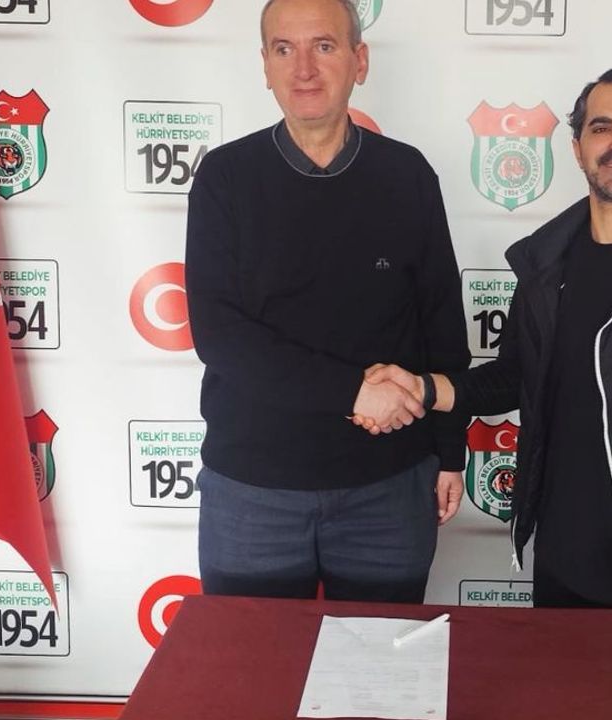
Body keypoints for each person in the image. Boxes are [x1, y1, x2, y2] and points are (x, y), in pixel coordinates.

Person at [359, 66, 612, 608]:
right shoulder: (545, 263)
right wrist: (422, 388)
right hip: (561, 550)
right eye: (601, 128)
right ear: (578, 148)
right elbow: (513, 377)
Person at [184, 0, 469, 604]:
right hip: (252, 491)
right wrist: (353, 393)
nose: (304, 69)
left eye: (324, 46)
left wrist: (450, 452)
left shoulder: (408, 175)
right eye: (284, 49)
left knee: (380, 661)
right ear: (265, 65)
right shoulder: (224, 177)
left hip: (388, 489)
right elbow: (220, 334)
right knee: (252, 664)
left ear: (359, 61)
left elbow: (442, 325)